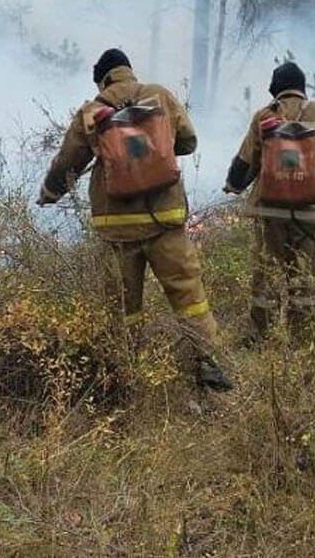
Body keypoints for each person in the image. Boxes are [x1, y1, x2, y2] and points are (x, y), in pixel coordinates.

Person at [37, 48, 232, 392]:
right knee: (190, 296)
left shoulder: (91, 111)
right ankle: (208, 363)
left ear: (102, 79)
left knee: (123, 306)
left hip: (118, 229)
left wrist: (50, 193)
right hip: (166, 220)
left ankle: (126, 373)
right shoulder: (160, 96)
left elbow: (67, 162)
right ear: (129, 72)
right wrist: (158, 152)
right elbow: (188, 141)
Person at [223, 62, 315, 347]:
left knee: (266, 274)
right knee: (305, 276)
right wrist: (314, 169)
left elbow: (246, 162)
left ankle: (260, 337)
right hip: (309, 210)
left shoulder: (265, 116)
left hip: (270, 210)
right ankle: (303, 340)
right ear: (302, 88)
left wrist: (233, 185)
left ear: (276, 90)